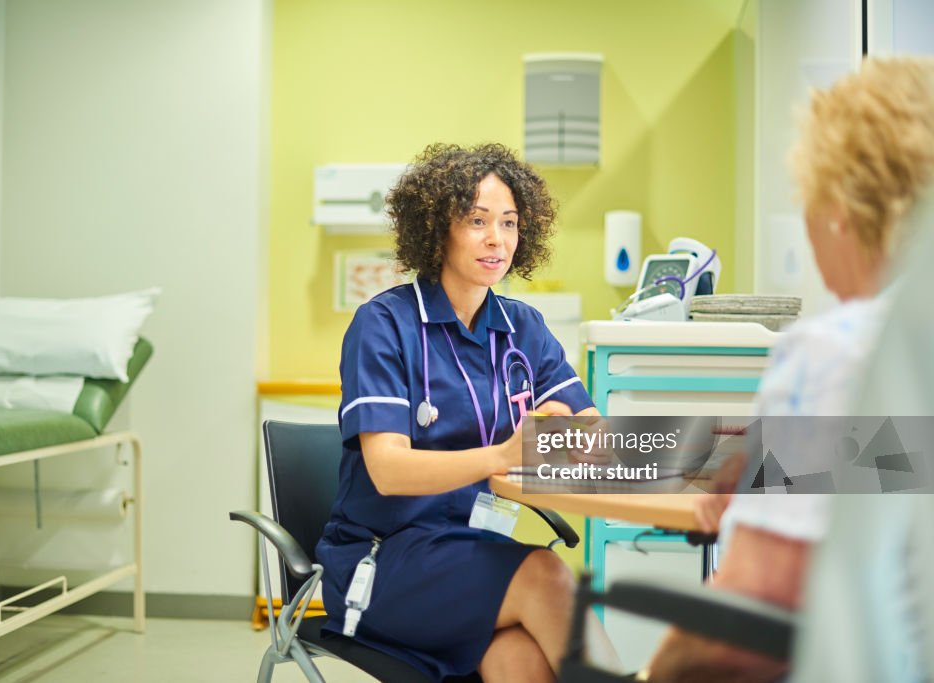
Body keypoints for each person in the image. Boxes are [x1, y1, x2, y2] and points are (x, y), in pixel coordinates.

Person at [647, 57, 934, 681]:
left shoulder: (837, 351)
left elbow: (746, 620)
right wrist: (769, 480)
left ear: (836, 208)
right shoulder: (911, 351)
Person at [315, 142, 619, 683]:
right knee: (547, 574)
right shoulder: (384, 325)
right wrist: (503, 455)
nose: (497, 239)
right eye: (477, 221)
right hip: (383, 563)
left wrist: (567, 429)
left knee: (518, 659)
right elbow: (388, 471)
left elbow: (592, 432)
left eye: (509, 222)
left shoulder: (523, 328)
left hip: (474, 552)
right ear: (438, 230)